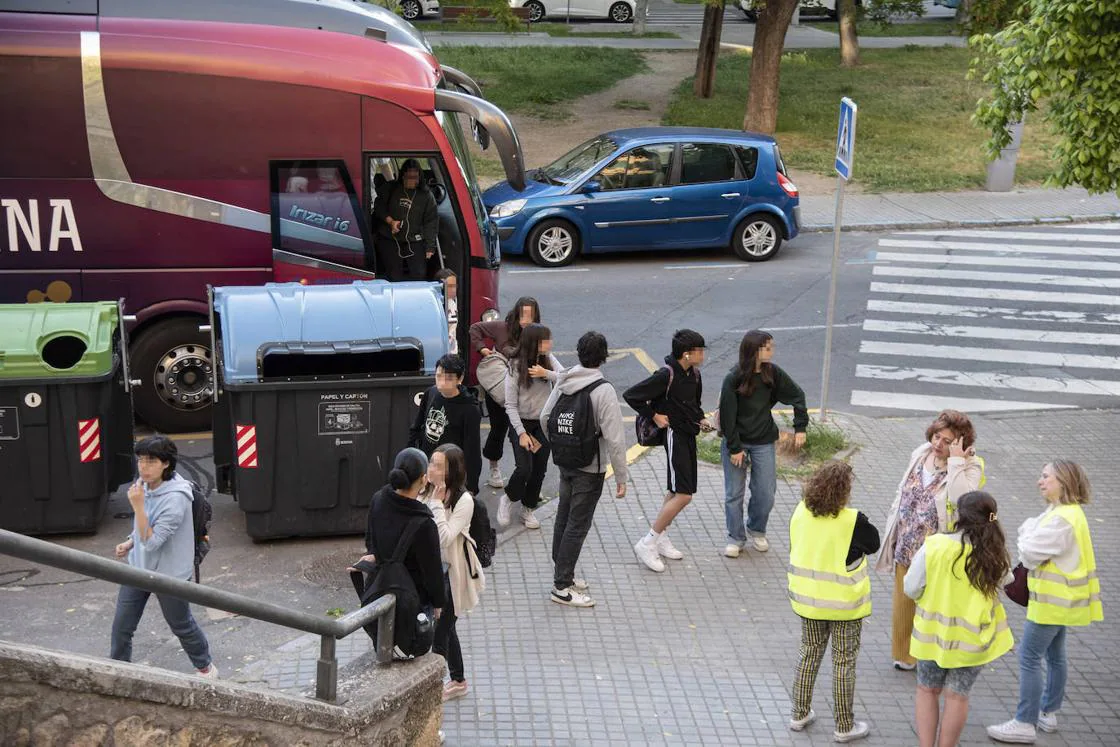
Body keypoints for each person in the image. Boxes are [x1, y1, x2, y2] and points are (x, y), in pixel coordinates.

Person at [987, 461, 1103, 744]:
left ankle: (1025, 722)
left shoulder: (1061, 519)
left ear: (1062, 481)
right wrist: (1030, 531)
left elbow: (1029, 553)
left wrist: (1025, 531)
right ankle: (1048, 712)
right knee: (1055, 656)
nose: (1040, 481)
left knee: (1028, 657)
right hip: (1062, 601)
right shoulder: (1068, 513)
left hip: (1051, 603)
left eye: (1045, 477)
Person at [875, 409, 985, 671]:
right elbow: (902, 489)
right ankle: (905, 654)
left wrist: (957, 462)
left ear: (961, 443)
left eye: (948, 441)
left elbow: (964, 501)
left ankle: (930, 652)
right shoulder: (920, 453)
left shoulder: (972, 467)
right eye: (937, 436)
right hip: (907, 539)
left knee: (932, 604)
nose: (938, 444)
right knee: (904, 601)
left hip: (937, 549)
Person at [905, 491, 1014, 747]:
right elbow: (1006, 581)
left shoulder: (935, 545)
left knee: (927, 690)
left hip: (933, 635)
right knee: (958, 696)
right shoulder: (993, 550)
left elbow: (911, 587)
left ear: (958, 515)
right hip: (973, 639)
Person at [787, 461, 879, 743]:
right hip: (844, 605)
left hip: (809, 600)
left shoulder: (801, 511)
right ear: (844, 491)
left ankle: (799, 714)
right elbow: (873, 544)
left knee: (809, 653)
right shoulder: (853, 521)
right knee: (843, 662)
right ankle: (844, 725)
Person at [110, 435, 216, 678]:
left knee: (181, 625)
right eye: (140, 461)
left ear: (166, 463)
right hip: (138, 567)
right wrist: (129, 541)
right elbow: (145, 527)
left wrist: (137, 506)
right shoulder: (144, 484)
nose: (143, 467)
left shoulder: (176, 498)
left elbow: (153, 541)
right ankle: (117, 671)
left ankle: (206, 668)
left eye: (151, 461)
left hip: (170, 574)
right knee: (122, 627)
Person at [540, 331, 629, 608]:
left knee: (563, 519)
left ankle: (562, 571)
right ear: (604, 356)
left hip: (565, 461)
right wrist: (622, 476)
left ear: (579, 353)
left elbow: (545, 417)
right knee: (577, 525)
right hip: (590, 467)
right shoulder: (603, 389)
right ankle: (562, 586)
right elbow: (615, 438)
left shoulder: (565, 379)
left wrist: (560, 444)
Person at [623, 329, 710, 573]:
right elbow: (631, 396)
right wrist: (655, 415)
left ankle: (660, 537)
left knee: (675, 490)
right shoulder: (665, 375)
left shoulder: (695, 375)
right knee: (684, 494)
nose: (703, 355)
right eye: (699, 351)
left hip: (689, 435)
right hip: (675, 437)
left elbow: (694, 405)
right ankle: (648, 541)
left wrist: (701, 420)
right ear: (686, 354)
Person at [719, 330, 809, 558]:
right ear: (754, 350)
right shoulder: (734, 378)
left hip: (763, 441)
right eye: (768, 347)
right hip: (737, 442)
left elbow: (798, 395)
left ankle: (756, 529)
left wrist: (800, 427)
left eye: (771, 347)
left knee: (766, 492)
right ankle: (735, 537)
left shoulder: (773, 373)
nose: (772, 351)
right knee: (734, 493)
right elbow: (728, 416)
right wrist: (735, 448)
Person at [357, 448, 445, 648]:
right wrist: (439, 602)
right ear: (423, 480)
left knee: (383, 647)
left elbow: (370, 542)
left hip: (380, 591)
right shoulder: (424, 524)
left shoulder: (378, 500)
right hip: (412, 602)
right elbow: (432, 572)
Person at [423, 444, 485, 702]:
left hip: (453, 576)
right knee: (446, 628)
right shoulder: (425, 490)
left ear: (451, 471)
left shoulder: (464, 500)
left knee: (440, 633)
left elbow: (444, 538)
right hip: (432, 572)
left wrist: (436, 505)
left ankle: (429, 692)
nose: (431, 469)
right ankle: (458, 680)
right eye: (431, 463)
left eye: (438, 465)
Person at [469, 297, 542, 490]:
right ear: (516, 314)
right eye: (523, 315)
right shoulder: (503, 327)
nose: (526, 320)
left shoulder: (537, 334)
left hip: (525, 389)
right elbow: (475, 328)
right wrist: (483, 349)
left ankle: (531, 476)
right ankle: (494, 466)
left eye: (531, 315)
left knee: (528, 428)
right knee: (499, 428)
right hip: (500, 387)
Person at [498, 323, 563, 530]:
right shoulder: (515, 366)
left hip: (543, 424)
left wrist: (547, 373)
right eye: (546, 340)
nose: (550, 344)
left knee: (539, 470)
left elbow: (566, 377)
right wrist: (521, 433)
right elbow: (510, 405)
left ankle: (528, 508)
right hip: (522, 423)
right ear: (534, 343)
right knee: (524, 468)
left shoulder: (548, 360)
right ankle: (508, 498)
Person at [409, 353, 482, 495]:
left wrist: (471, 486)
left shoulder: (470, 409)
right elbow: (416, 427)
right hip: (427, 467)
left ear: (459, 379)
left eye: (448, 378)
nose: (441, 382)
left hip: (450, 472)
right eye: (438, 376)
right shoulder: (431, 393)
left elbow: (472, 450)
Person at [373, 158, 438, 281]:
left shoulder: (426, 195)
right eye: (408, 177)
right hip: (390, 238)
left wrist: (430, 246)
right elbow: (378, 206)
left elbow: (431, 221)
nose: (411, 181)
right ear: (402, 176)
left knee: (419, 273)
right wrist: (391, 221)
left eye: (415, 177)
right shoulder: (391, 188)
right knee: (394, 274)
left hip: (414, 239)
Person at [434, 268, 458, 354]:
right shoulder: (436, 306)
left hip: (452, 351)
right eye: (450, 286)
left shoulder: (453, 302)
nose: (454, 289)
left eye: (455, 286)